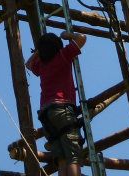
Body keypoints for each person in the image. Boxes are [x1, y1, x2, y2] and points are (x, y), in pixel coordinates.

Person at [26, 30, 88, 176]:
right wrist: (68, 35)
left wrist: (38, 53)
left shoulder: (42, 65)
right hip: (62, 109)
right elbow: (82, 38)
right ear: (58, 47)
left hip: (46, 114)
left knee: (61, 159)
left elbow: (28, 64)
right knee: (73, 156)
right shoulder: (62, 56)